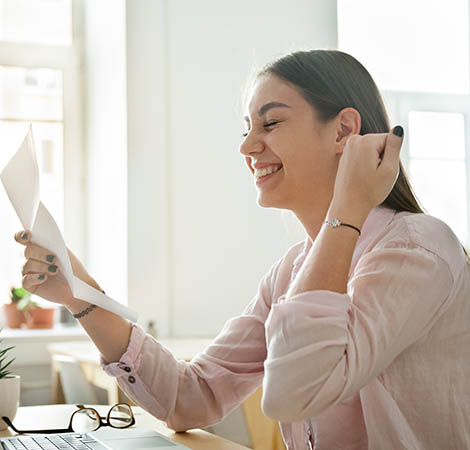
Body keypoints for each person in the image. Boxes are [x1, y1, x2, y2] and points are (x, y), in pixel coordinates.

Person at [15, 50, 470, 449]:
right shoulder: (292, 270)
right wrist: (81, 294)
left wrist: (348, 207)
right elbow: (190, 398)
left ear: (343, 132)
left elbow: (295, 393)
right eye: (248, 127)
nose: (248, 146)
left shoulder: (417, 251)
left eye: (270, 123)